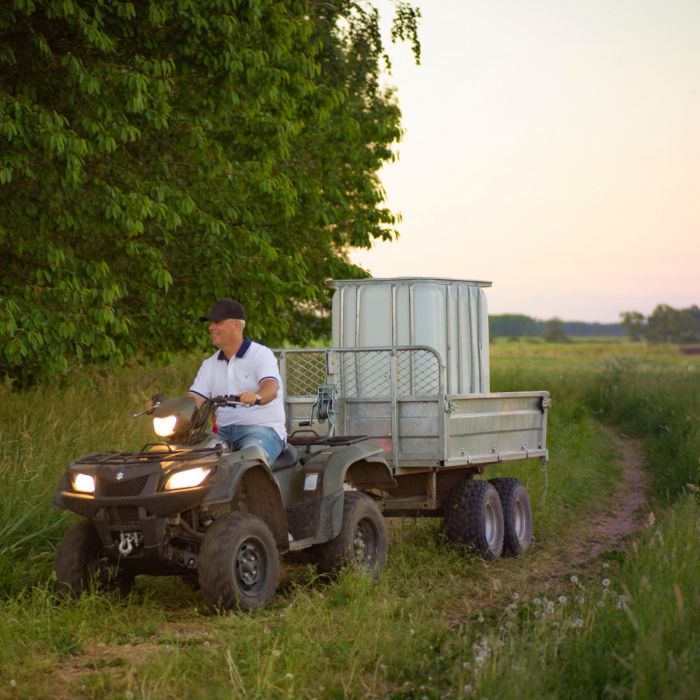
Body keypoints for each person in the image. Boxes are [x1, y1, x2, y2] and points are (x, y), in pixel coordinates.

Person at [187, 298, 286, 464]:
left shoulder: (261, 354)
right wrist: (169, 409)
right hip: (222, 432)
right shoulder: (209, 364)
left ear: (237, 325)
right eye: (210, 323)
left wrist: (257, 396)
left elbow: (271, 386)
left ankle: (256, 489)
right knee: (189, 459)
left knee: (249, 461)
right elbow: (194, 399)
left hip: (262, 430)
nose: (211, 327)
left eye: (217, 322)